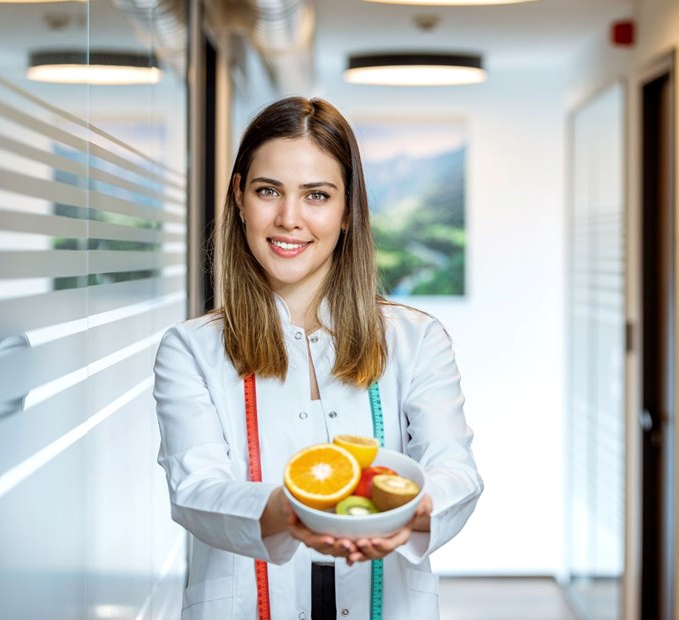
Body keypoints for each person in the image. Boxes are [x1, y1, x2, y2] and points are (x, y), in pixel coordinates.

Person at [153, 96, 483, 620]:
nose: (289, 219)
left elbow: (454, 468)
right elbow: (196, 489)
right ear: (239, 197)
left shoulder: (417, 340)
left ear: (348, 208)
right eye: (268, 191)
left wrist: (411, 514)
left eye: (317, 195)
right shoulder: (191, 348)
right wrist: (291, 513)